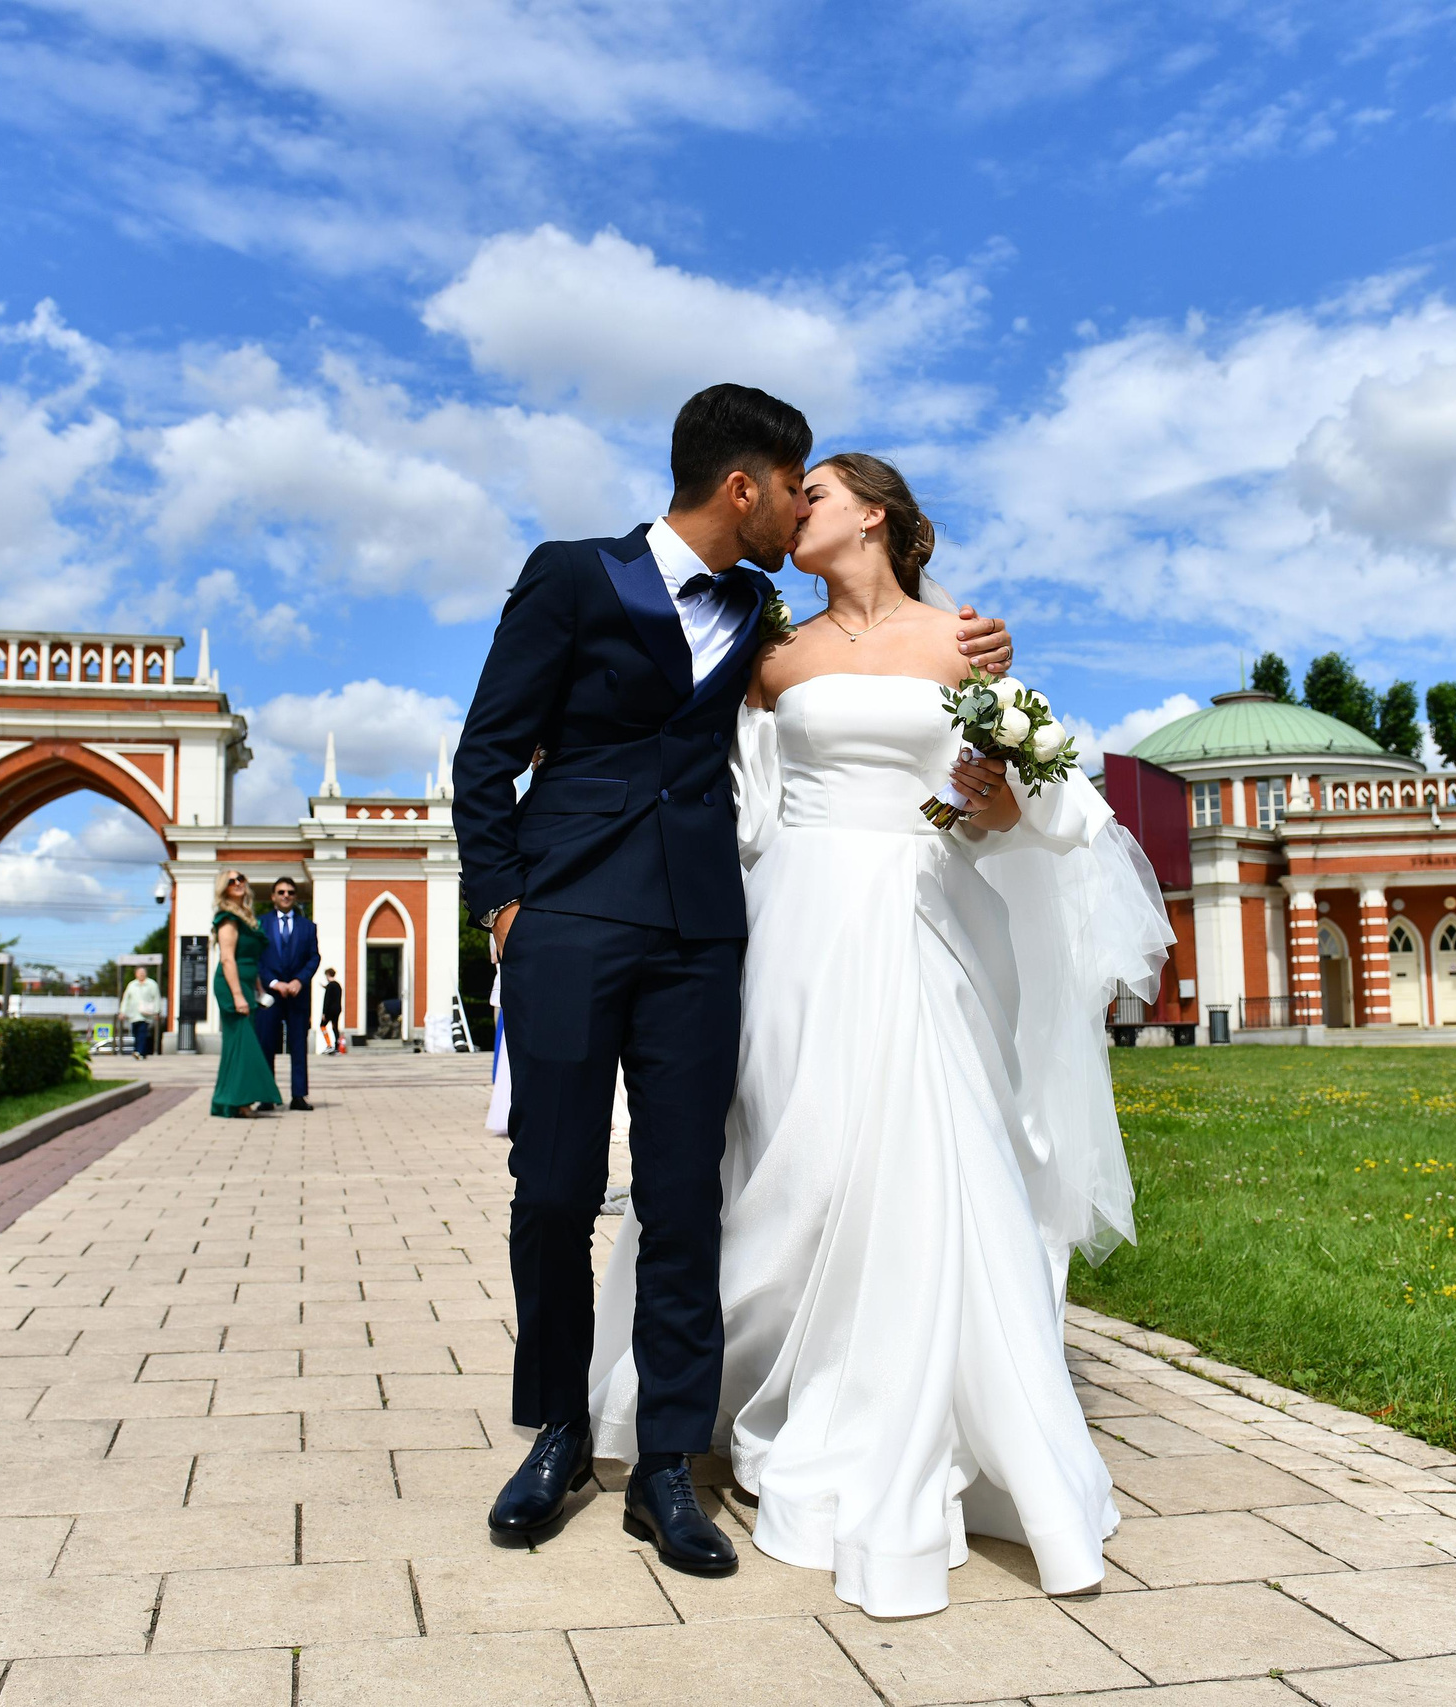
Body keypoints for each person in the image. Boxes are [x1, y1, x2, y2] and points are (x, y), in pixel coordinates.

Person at [584, 453, 1171, 1616]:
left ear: (878, 517)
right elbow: (705, 765)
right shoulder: (770, 652)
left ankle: (893, 1402)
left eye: (818, 493)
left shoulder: (968, 647)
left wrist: (977, 805)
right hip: (791, 921)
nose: (795, 506)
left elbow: (1017, 804)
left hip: (919, 916)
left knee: (915, 1156)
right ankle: (724, 1382)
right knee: (778, 1159)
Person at [452, 384, 1014, 1577]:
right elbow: (487, 749)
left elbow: (883, 718)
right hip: (566, 916)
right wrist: (504, 906)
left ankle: (665, 1462)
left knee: (683, 1198)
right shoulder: (572, 575)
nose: (801, 507)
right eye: (791, 484)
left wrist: (979, 669)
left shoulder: (766, 615)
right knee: (551, 1190)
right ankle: (556, 1429)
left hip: (706, 936)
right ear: (743, 487)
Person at [207, 871, 282, 1119]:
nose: (238, 883)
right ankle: (239, 1101)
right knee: (242, 1043)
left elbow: (251, 960)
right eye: (231, 881)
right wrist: (238, 996)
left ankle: (228, 1101)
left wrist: (259, 990)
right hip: (231, 986)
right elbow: (228, 959)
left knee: (237, 1045)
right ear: (224, 888)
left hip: (247, 985)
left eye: (241, 879)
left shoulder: (247, 917)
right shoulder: (227, 918)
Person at [254, 878, 320, 1111]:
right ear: (273, 896)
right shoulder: (259, 924)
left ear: (295, 896)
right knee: (266, 1044)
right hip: (270, 995)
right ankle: (266, 1095)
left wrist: (299, 980)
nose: (286, 895)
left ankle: (299, 1095)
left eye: (290, 892)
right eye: (281, 892)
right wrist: (273, 982)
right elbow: (256, 959)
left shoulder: (307, 927)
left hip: (297, 995)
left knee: (298, 1045)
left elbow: (314, 957)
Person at [123, 966, 166, 1058]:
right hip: (133, 1014)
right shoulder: (132, 985)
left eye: (143, 972)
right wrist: (122, 1011)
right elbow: (126, 999)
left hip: (146, 1014)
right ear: (136, 974)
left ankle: (139, 1052)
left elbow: (156, 998)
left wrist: (157, 1011)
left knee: (142, 1032)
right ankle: (140, 1051)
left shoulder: (152, 984)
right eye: (139, 972)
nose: (141, 974)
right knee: (135, 1033)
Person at [319, 967, 344, 1054]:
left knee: (322, 1026)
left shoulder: (330, 986)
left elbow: (327, 1000)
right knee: (335, 1027)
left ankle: (329, 1045)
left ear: (327, 975)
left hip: (330, 1010)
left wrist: (324, 1012)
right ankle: (337, 1046)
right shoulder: (338, 985)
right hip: (337, 1009)